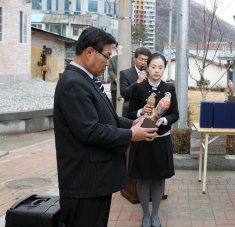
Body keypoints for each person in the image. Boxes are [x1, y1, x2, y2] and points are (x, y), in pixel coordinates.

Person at [53, 27, 158, 227]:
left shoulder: (86, 80)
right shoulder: (73, 83)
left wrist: (133, 123)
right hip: (85, 185)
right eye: (107, 56)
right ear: (89, 52)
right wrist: (130, 135)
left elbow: (106, 119)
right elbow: (91, 130)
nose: (108, 63)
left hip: (95, 182)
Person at [127, 53, 179, 227]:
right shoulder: (138, 88)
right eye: (153, 67)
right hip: (142, 139)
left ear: (164, 68)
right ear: (147, 67)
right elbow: (128, 114)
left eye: (161, 67)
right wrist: (140, 112)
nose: (157, 70)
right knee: (142, 178)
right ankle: (145, 214)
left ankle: (155, 214)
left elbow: (175, 114)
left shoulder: (169, 88)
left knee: (158, 178)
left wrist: (164, 120)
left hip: (161, 139)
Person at [120, 47, 151, 117]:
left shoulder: (150, 74)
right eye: (140, 59)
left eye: (146, 60)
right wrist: (138, 82)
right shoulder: (125, 73)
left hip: (147, 112)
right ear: (134, 58)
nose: (143, 63)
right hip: (130, 112)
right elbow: (124, 93)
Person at [108, 43, 118, 109]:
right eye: (117, 47)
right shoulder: (112, 59)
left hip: (127, 86)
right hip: (115, 86)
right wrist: (115, 78)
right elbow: (110, 71)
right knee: (115, 105)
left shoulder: (130, 59)